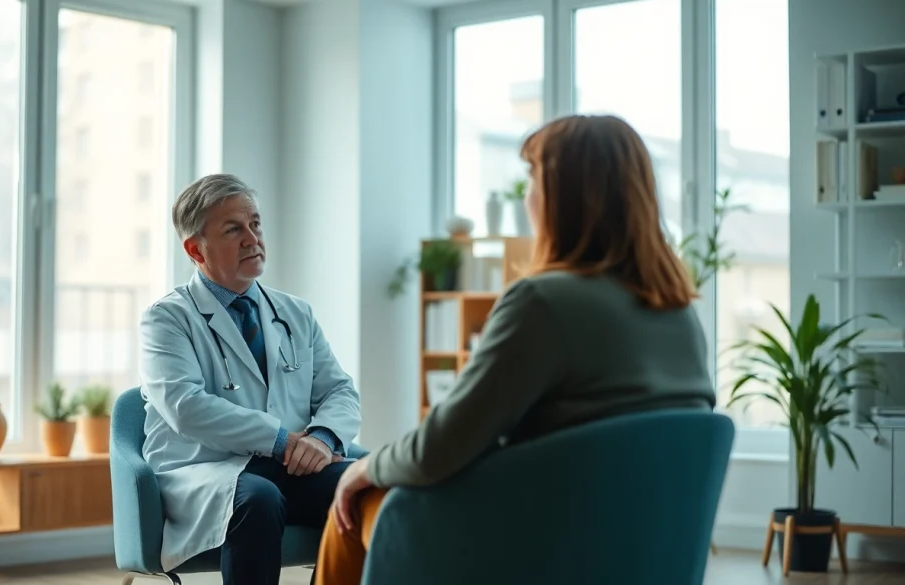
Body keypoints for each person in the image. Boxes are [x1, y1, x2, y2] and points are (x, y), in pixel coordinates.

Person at [312, 114, 717, 585]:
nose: (527, 197)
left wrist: (363, 467)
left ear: (562, 197)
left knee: (355, 499)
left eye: (532, 179)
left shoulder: (544, 302)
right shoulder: (679, 312)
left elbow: (437, 450)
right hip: (640, 553)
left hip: (542, 547)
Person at [138, 173, 362, 585]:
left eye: (255, 224)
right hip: (206, 470)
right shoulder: (167, 318)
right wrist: (281, 440)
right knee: (258, 500)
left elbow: (339, 390)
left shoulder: (295, 312)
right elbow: (186, 408)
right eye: (233, 229)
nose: (251, 238)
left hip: (286, 467)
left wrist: (323, 439)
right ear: (195, 249)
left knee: (366, 485)